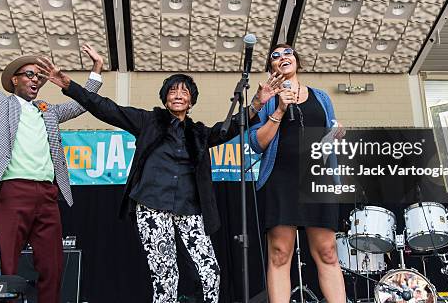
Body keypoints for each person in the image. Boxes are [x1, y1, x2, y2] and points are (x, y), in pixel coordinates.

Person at [35, 56, 284, 303]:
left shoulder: (198, 133)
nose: (178, 95)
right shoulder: (149, 121)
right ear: (165, 98)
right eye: (172, 91)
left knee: (210, 273)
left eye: (184, 92)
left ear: (191, 101)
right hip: (152, 206)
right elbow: (106, 108)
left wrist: (257, 105)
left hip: (190, 208)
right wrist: (67, 84)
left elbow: (227, 129)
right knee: (165, 276)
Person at [0, 0, 104, 302]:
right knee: (5, 264)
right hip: (11, 192)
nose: (36, 80)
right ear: (15, 79)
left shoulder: (48, 110)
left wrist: (96, 71)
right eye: (30, 74)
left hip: (48, 195)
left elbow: (81, 106)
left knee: (53, 266)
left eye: (40, 76)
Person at [249, 43, 346, 303]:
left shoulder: (321, 97)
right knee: (280, 253)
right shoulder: (266, 99)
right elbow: (257, 143)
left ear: (297, 62)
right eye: (275, 56)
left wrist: (335, 135)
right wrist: (279, 109)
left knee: (327, 251)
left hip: (318, 178)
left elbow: (328, 143)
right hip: (281, 179)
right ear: (271, 67)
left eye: (288, 53)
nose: (283, 57)